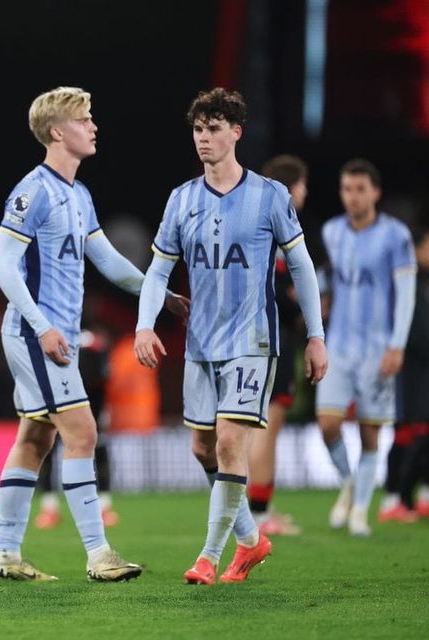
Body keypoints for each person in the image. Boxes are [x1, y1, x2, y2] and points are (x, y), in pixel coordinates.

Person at [0, 86, 189, 583]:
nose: (94, 126)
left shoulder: (78, 193)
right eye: (85, 118)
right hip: (36, 334)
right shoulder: (32, 190)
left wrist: (158, 294)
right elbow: (2, 267)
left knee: (36, 438)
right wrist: (44, 327)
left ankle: (6, 555)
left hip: (53, 335)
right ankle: (99, 555)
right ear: (58, 131)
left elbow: (107, 261)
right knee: (83, 432)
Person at [135, 88, 327, 585]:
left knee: (227, 442)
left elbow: (302, 266)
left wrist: (316, 335)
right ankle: (251, 539)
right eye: (199, 129)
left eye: (214, 129)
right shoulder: (181, 199)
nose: (204, 138)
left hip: (253, 339)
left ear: (236, 132)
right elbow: (157, 271)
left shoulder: (270, 196)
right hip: (200, 343)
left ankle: (208, 556)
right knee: (203, 449)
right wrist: (144, 325)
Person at [315, 159, 416, 537]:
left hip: (378, 348)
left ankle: (359, 511)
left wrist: (396, 345)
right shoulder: (332, 231)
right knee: (328, 425)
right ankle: (349, 481)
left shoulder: (396, 236)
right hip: (338, 345)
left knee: (371, 433)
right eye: (346, 189)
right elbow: (327, 275)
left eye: (360, 189)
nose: (353, 197)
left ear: (375, 192)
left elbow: (405, 294)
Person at [245, 154, 311, 536]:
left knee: (251, 427)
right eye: (302, 185)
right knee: (266, 429)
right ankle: (260, 514)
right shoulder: (278, 227)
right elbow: (279, 289)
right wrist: (302, 307)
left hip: (247, 337)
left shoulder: (249, 221)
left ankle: (252, 513)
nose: (304, 193)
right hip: (275, 339)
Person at [34, 326, 119, 529]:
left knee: (97, 450)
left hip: (91, 408)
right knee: (48, 451)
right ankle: (50, 508)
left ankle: (104, 507)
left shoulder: (93, 346)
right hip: (57, 403)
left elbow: (102, 381)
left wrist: (102, 412)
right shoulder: (50, 338)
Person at [380, 227, 429, 522]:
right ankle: (393, 498)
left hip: (421, 372)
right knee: (408, 434)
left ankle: (417, 496)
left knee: (420, 436)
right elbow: (415, 331)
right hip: (407, 371)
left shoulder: (421, 283)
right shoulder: (406, 282)